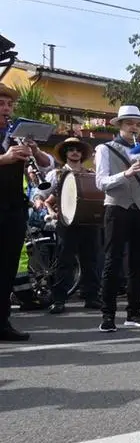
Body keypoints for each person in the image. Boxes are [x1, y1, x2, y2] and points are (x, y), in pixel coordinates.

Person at [94, 105, 140, 332]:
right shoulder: (105, 149)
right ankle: (108, 314)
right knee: (112, 262)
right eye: (130, 123)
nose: (135, 127)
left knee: (138, 263)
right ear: (120, 125)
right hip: (117, 207)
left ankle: (133, 312)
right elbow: (100, 182)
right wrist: (127, 173)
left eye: (138, 124)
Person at [0, 83, 54, 341]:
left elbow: (47, 166)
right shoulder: (7, 145)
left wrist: (35, 152)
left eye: (9, 105)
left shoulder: (14, 135)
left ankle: (2, 323)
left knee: (8, 267)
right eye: (1, 104)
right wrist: (5, 158)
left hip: (12, 206)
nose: (6, 109)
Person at [41, 137, 102, 314]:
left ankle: (91, 297)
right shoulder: (56, 174)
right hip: (67, 223)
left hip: (89, 222)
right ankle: (59, 300)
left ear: (82, 154)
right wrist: (42, 203)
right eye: (70, 149)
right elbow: (42, 193)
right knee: (65, 262)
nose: (75, 152)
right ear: (65, 153)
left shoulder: (91, 174)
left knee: (91, 261)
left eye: (78, 149)